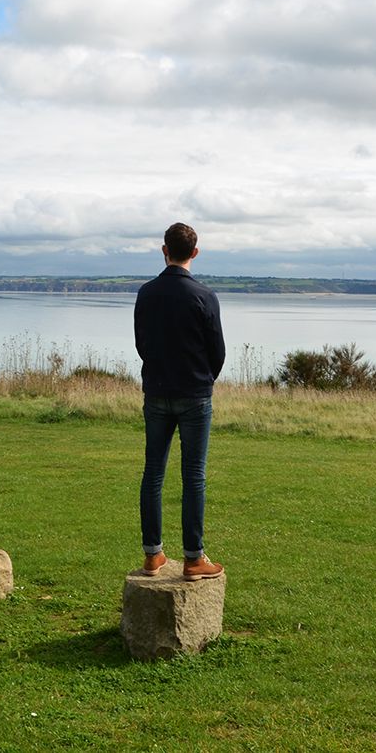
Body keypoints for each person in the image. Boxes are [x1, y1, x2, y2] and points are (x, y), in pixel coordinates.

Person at [133, 222, 226, 581]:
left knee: (153, 473)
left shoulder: (146, 293)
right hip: (195, 394)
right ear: (195, 253)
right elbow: (217, 350)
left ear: (164, 250)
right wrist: (203, 379)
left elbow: (142, 343)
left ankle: (153, 555)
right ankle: (193, 559)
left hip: (156, 391)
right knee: (193, 477)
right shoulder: (204, 296)